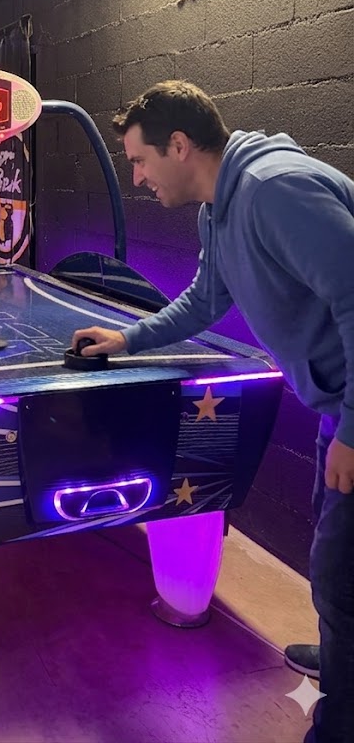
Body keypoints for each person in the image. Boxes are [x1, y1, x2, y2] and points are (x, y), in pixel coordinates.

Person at [71, 81, 354, 743]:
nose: (137, 178)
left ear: (179, 145)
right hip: (334, 402)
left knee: (340, 576)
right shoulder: (217, 209)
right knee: (336, 561)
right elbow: (203, 299)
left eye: (140, 161)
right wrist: (127, 339)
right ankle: (341, 658)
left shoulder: (274, 190)